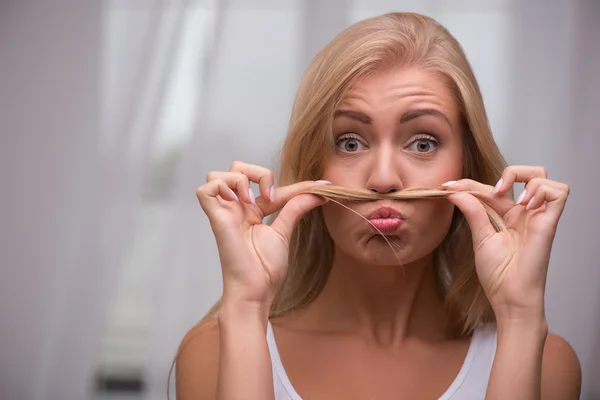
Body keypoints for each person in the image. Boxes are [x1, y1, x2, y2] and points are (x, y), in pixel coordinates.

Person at [175, 12, 581, 400]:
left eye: (423, 143)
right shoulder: (215, 354)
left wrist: (520, 315)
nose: (384, 178)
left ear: (468, 164)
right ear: (313, 164)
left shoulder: (545, 364)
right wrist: (246, 306)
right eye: (350, 142)